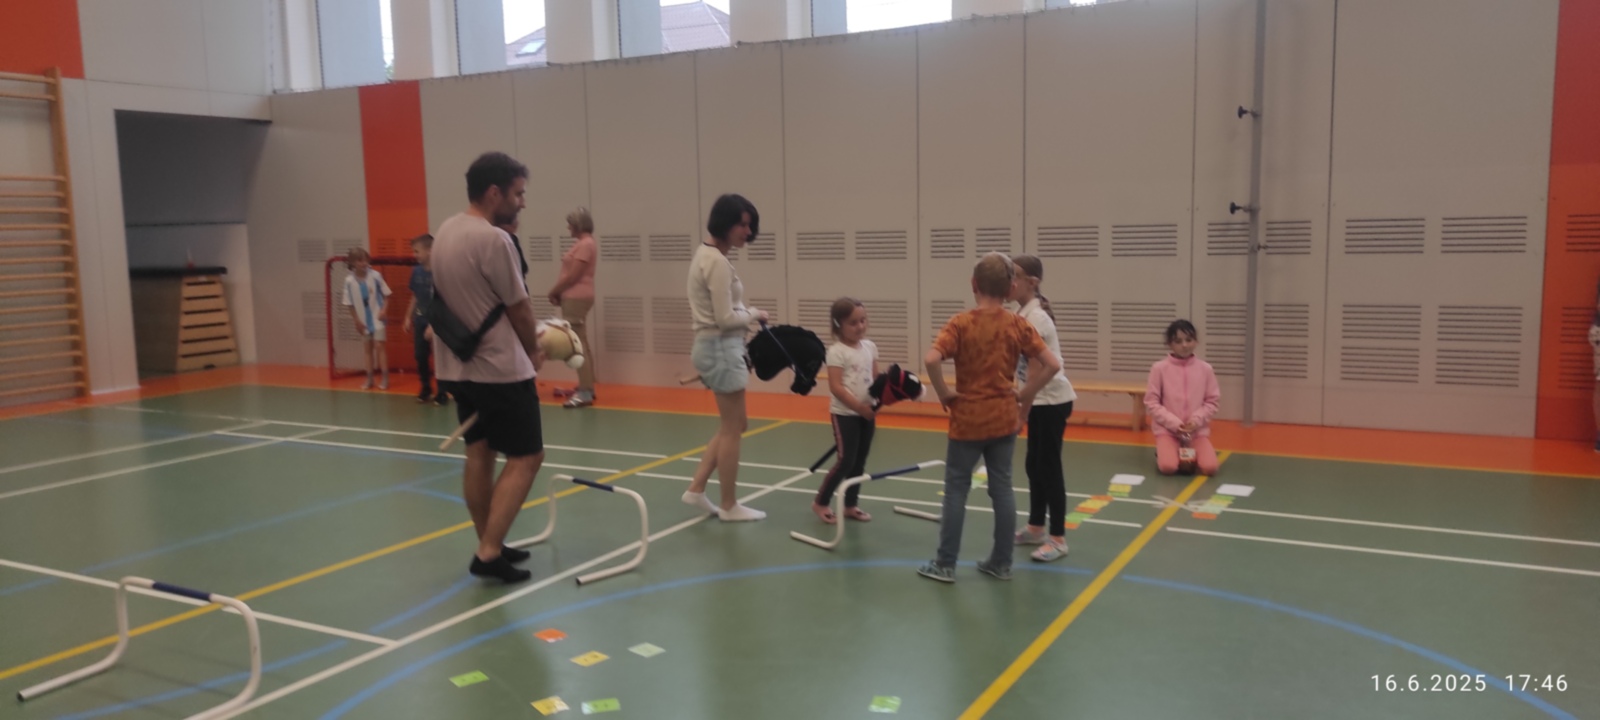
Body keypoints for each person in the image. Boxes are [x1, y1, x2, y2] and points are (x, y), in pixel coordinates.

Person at [431, 151, 546, 583]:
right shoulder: (494, 240)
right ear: (495, 192)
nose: (522, 203)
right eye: (518, 194)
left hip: (457, 367)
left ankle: (490, 540)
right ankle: (489, 549)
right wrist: (534, 350)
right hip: (499, 369)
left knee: (479, 452)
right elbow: (519, 307)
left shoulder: (446, 231)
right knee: (528, 456)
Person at [918, 253, 1062, 583]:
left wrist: (944, 393)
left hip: (968, 419)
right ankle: (1001, 561)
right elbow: (1052, 365)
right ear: (1010, 287)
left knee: (957, 488)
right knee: (1002, 487)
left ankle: (945, 563)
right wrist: (1025, 393)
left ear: (974, 284)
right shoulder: (1017, 324)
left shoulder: (960, 323)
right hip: (1003, 419)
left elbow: (931, 359)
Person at [681, 193, 769, 522]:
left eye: (749, 225)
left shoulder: (710, 256)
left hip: (719, 347)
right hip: (720, 347)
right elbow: (726, 319)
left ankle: (696, 488)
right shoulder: (716, 262)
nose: (747, 231)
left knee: (736, 424)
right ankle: (729, 505)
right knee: (733, 428)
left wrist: (746, 314)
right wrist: (755, 313)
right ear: (724, 223)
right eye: (741, 224)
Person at [1010, 254, 1075, 562]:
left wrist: (1021, 411)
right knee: (1033, 465)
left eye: (1015, 276)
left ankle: (1058, 538)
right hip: (1037, 399)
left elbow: (1037, 370)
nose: (1010, 281)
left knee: (1049, 468)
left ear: (1031, 282)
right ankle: (1036, 527)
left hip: (1051, 402)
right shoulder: (1021, 313)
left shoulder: (1036, 319)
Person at [811, 297, 877, 524]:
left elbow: (875, 379)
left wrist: (881, 399)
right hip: (845, 415)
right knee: (846, 460)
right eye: (853, 323)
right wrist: (858, 407)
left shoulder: (870, 347)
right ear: (839, 325)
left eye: (863, 320)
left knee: (860, 461)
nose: (860, 326)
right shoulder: (836, 352)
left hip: (866, 414)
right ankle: (821, 502)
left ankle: (850, 505)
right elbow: (836, 387)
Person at [1145, 319, 1221, 476]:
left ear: (1196, 341)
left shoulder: (1206, 369)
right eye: (1178, 341)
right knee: (1168, 467)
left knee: (1210, 468)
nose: (1184, 345)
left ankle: (1189, 451)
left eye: (1189, 340)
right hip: (1168, 431)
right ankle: (1165, 452)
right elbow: (1152, 402)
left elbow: (1212, 401)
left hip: (1196, 431)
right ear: (1170, 344)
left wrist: (1196, 421)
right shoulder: (1159, 368)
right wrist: (1175, 424)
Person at [548, 208, 599, 409]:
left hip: (577, 298)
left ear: (578, 224)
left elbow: (573, 276)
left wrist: (554, 291)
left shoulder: (585, 245)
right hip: (575, 297)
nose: (568, 227)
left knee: (577, 345)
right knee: (581, 342)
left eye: (570, 223)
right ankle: (587, 387)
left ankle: (585, 392)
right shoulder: (583, 244)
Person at [402, 234, 448, 406]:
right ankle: (426, 388)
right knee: (420, 355)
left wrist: (434, 325)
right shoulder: (416, 271)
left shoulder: (440, 271)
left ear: (429, 251)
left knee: (440, 358)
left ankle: (442, 392)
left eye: (417, 251)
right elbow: (415, 296)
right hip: (420, 319)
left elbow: (445, 299)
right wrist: (408, 317)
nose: (414, 255)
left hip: (437, 321)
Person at [341, 247, 391, 390]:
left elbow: (387, 295)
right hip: (363, 321)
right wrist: (356, 320)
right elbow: (349, 303)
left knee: (380, 346)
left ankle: (385, 377)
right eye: (359, 260)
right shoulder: (349, 281)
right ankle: (369, 378)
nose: (363, 263)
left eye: (365, 260)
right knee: (367, 348)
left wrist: (384, 310)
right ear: (352, 263)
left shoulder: (375, 276)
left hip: (377, 318)